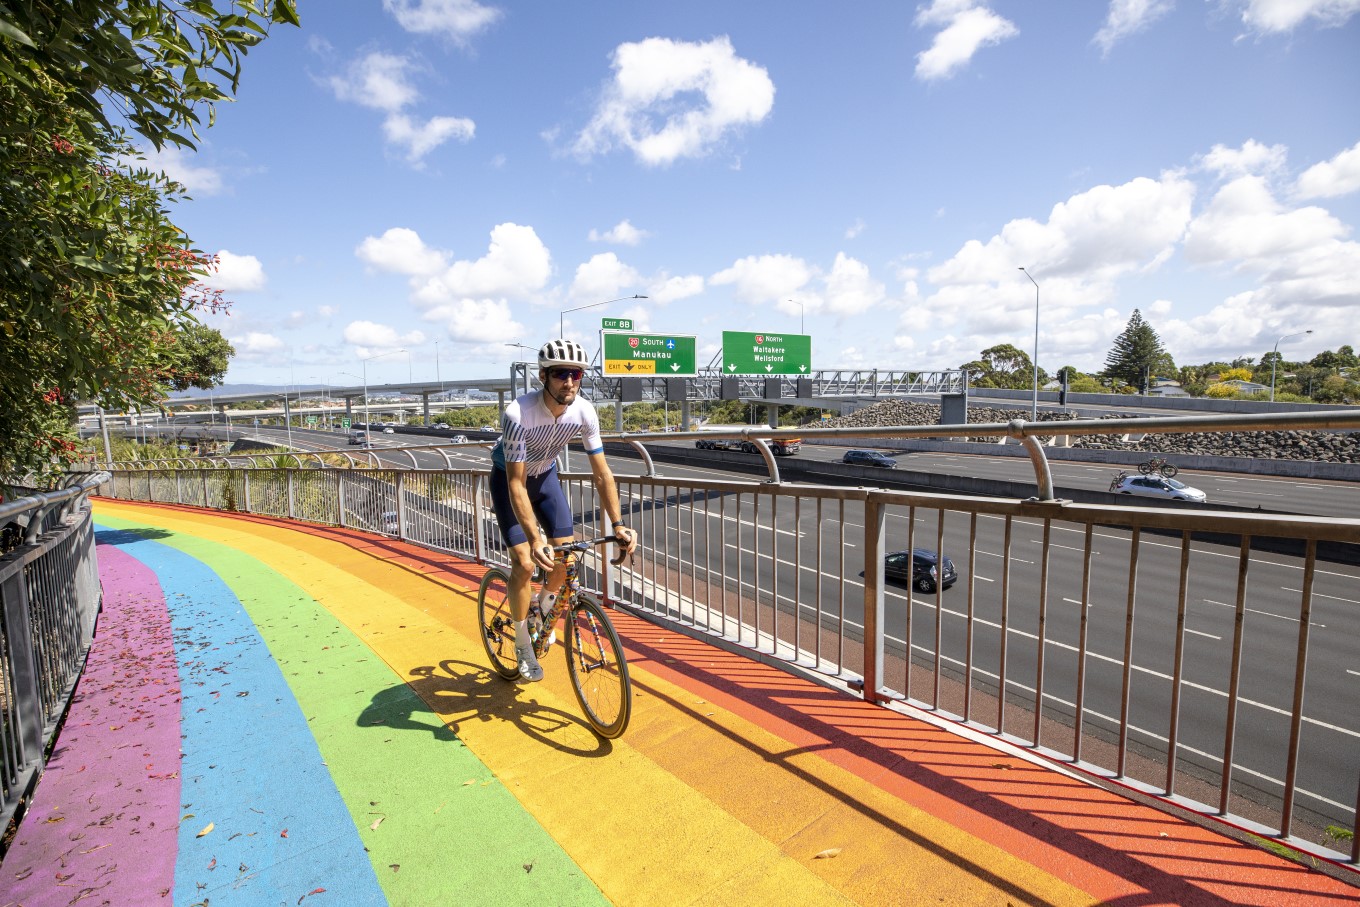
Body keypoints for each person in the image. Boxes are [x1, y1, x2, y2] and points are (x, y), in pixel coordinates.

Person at [489, 339, 637, 683]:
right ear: (543, 376)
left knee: (566, 560)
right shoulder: (518, 413)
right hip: (511, 480)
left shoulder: (584, 411)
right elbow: (515, 483)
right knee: (526, 562)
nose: (569, 381)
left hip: (546, 478)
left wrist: (619, 524)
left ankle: (541, 609)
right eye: (560, 374)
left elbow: (602, 472)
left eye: (576, 374)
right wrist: (534, 537)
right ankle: (524, 643)